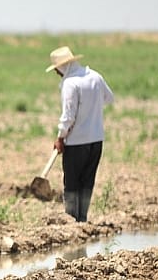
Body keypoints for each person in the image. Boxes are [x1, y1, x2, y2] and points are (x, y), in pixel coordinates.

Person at [46, 46, 114, 222]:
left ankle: (71, 220)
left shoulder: (70, 83)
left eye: (57, 70)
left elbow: (68, 116)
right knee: (87, 181)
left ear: (62, 67)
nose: (57, 74)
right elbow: (109, 98)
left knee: (72, 183)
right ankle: (82, 219)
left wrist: (60, 137)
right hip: (97, 140)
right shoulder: (95, 77)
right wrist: (91, 107)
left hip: (76, 142)